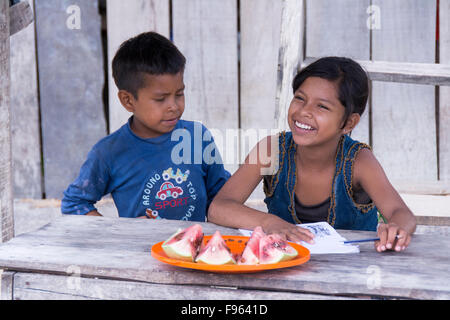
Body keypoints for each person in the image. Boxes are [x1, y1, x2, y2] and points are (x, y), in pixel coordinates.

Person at [208, 56, 416, 253]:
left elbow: (402, 213)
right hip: (283, 267)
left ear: (348, 123)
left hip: (352, 275)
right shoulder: (270, 150)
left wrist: (396, 228)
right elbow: (219, 207)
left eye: (322, 106)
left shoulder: (359, 162)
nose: (304, 111)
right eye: (300, 98)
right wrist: (269, 222)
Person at [61, 32, 230, 221]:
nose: (173, 106)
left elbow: (222, 199)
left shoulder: (197, 137)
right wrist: (121, 232)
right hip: (138, 250)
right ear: (128, 100)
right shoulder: (109, 153)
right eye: (160, 99)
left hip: (196, 249)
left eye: (179, 94)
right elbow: (75, 203)